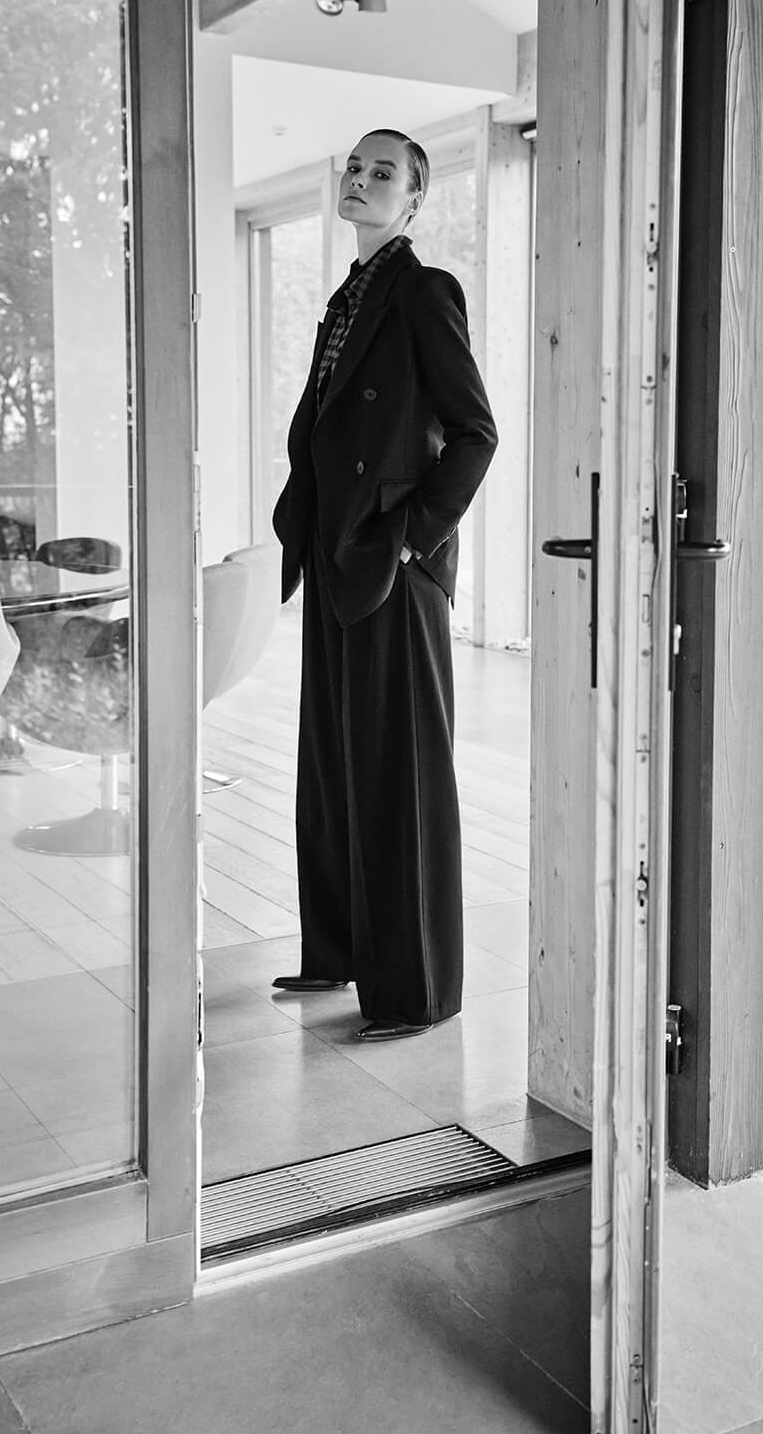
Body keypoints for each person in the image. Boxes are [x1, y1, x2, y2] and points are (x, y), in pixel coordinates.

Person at [271, 128, 498, 1042]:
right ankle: (339, 953)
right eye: (356, 168)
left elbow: (475, 433)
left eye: (384, 173)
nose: (362, 180)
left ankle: (416, 990)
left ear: (414, 200)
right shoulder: (347, 299)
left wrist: (412, 539)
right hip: (336, 560)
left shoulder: (423, 290)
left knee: (401, 775)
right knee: (333, 766)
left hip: (391, 569)